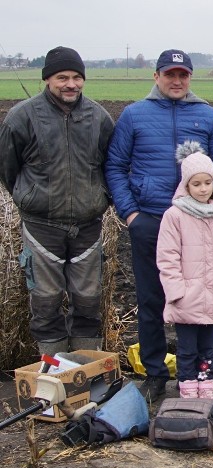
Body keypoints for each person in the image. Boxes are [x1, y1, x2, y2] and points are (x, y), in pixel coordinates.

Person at [106, 49, 213, 402]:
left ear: (190, 78)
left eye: (183, 75)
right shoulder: (134, 115)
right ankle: (155, 374)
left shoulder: (206, 115)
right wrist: (131, 214)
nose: (176, 81)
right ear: (156, 77)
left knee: (199, 298)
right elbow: (116, 166)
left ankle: (198, 376)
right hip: (151, 220)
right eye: (169, 74)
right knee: (151, 298)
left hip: (198, 227)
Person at [0, 46, 114, 356]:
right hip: (42, 228)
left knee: (89, 300)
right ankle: (53, 376)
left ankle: (85, 372)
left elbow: (109, 166)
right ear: (47, 79)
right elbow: (9, 170)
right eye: (62, 77)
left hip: (88, 227)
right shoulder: (22, 117)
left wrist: (97, 198)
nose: (71, 84)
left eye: (77, 77)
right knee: (46, 301)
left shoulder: (99, 118)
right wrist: (33, 199)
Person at [156, 142, 213, 405]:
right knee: (187, 348)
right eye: (196, 184)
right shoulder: (175, 216)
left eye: (207, 183)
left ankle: (206, 388)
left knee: (208, 348)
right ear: (186, 185)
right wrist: (176, 292)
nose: (203, 189)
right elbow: (167, 258)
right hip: (187, 297)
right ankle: (187, 388)